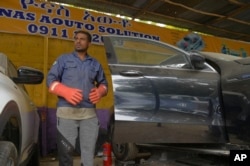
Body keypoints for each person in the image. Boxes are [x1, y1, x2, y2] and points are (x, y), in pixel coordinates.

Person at [46, 30, 108, 166]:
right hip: (66, 112)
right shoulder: (63, 59)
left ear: (89, 43)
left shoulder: (95, 63)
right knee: (66, 152)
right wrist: (64, 90)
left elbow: (104, 83)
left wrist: (100, 91)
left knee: (88, 152)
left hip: (89, 114)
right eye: (76, 39)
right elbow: (50, 80)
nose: (78, 41)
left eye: (82, 39)